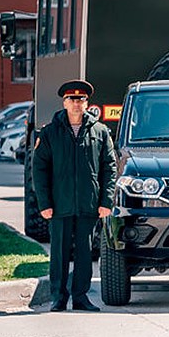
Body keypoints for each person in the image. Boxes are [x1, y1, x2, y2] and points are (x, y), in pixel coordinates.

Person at [32, 80, 117, 312]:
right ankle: (58, 297)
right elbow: (38, 169)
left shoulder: (100, 131)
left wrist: (106, 201)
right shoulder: (50, 132)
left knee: (84, 253)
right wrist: (44, 203)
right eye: (72, 99)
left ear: (87, 103)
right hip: (59, 205)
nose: (76, 104)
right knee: (59, 254)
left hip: (89, 204)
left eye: (80, 100)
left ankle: (80, 297)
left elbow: (109, 167)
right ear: (64, 103)